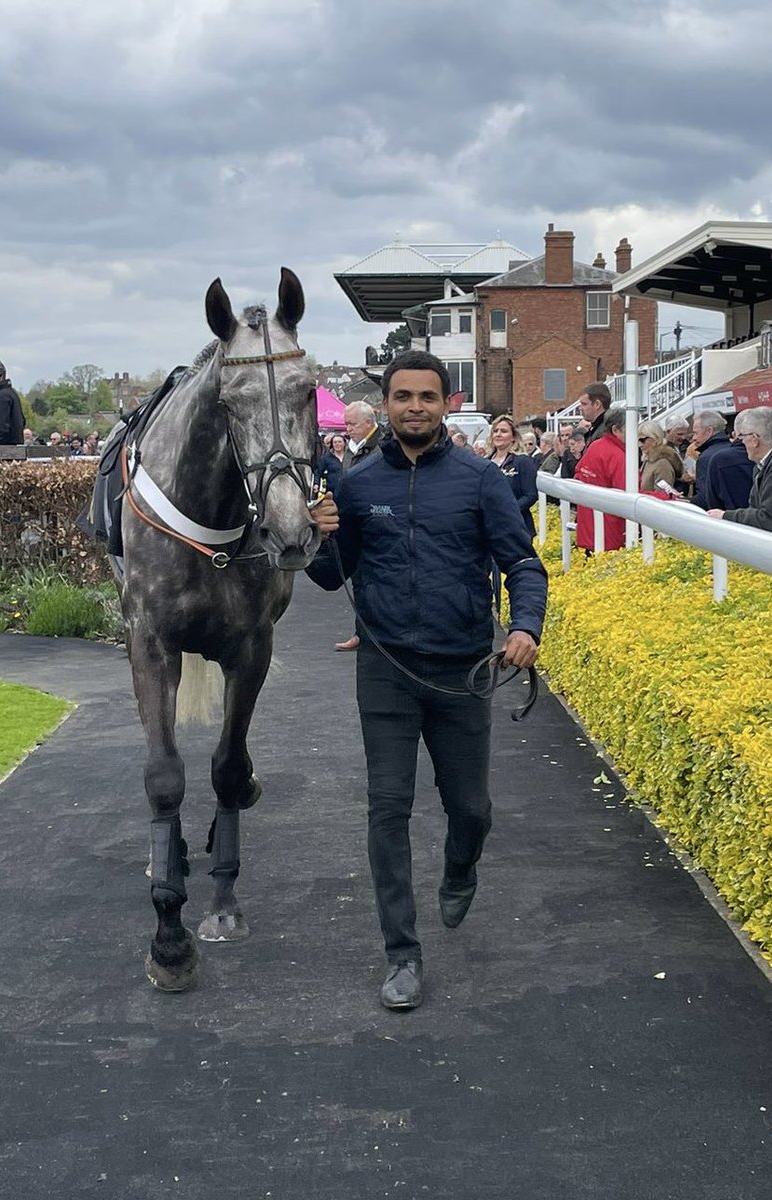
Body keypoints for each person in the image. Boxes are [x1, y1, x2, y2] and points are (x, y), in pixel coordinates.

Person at [306, 349, 547, 1011]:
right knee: (388, 811)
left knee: (470, 809)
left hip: (463, 670)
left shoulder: (479, 480)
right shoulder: (356, 486)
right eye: (403, 396)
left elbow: (523, 565)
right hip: (384, 669)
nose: (415, 407)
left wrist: (525, 626)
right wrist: (316, 536)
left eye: (427, 397)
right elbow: (333, 576)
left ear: (446, 404)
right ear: (386, 404)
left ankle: (460, 867)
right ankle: (402, 955)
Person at [334, 403, 383, 651]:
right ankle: (361, 632)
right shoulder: (356, 447)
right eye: (346, 424)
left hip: (375, 522)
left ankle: (371, 634)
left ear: (368, 423)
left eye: (352, 424)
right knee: (360, 581)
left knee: (372, 582)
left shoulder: (381, 446)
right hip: (356, 521)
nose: (348, 429)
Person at [574, 405, 629, 552]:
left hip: (589, 531)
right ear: (616, 430)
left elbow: (579, 475)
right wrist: (664, 497)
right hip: (610, 535)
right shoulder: (618, 456)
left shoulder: (595, 447)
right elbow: (628, 495)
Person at [690, 411, 754, 511]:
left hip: (724, 518)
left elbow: (704, 499)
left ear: (709, 431)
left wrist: (682, 501)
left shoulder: (707, 457)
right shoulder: (741, 451)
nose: (693, 438)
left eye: (695, 433)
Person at [488, 415, 539, 539]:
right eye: (495, 431)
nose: (498, 434)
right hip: (490, 527)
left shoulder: (523, 461)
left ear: (513, 437)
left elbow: (530, 495)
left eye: (504, 431)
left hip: (517, 526)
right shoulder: (485, 463)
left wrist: (507, 511)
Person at [638, 419, 681, 491]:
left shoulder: (662, 464)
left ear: (655, 439)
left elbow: (662, 495)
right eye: (638, 440)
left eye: (642, 440)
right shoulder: (648, 460)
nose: (639, 445)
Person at [577, 383, 611, 447]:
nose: (580, 408)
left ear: (597, 404)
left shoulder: (607, 429)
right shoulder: (600, 427)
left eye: (584, 404)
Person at [313, 433, 344, 499]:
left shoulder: (350, 457)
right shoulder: (326, 458)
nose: (337, 444)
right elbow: (318, 472)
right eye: (335, 442)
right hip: (332, 492)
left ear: (344, 443)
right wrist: (316, 484)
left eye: (339, 442)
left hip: (349, 490)